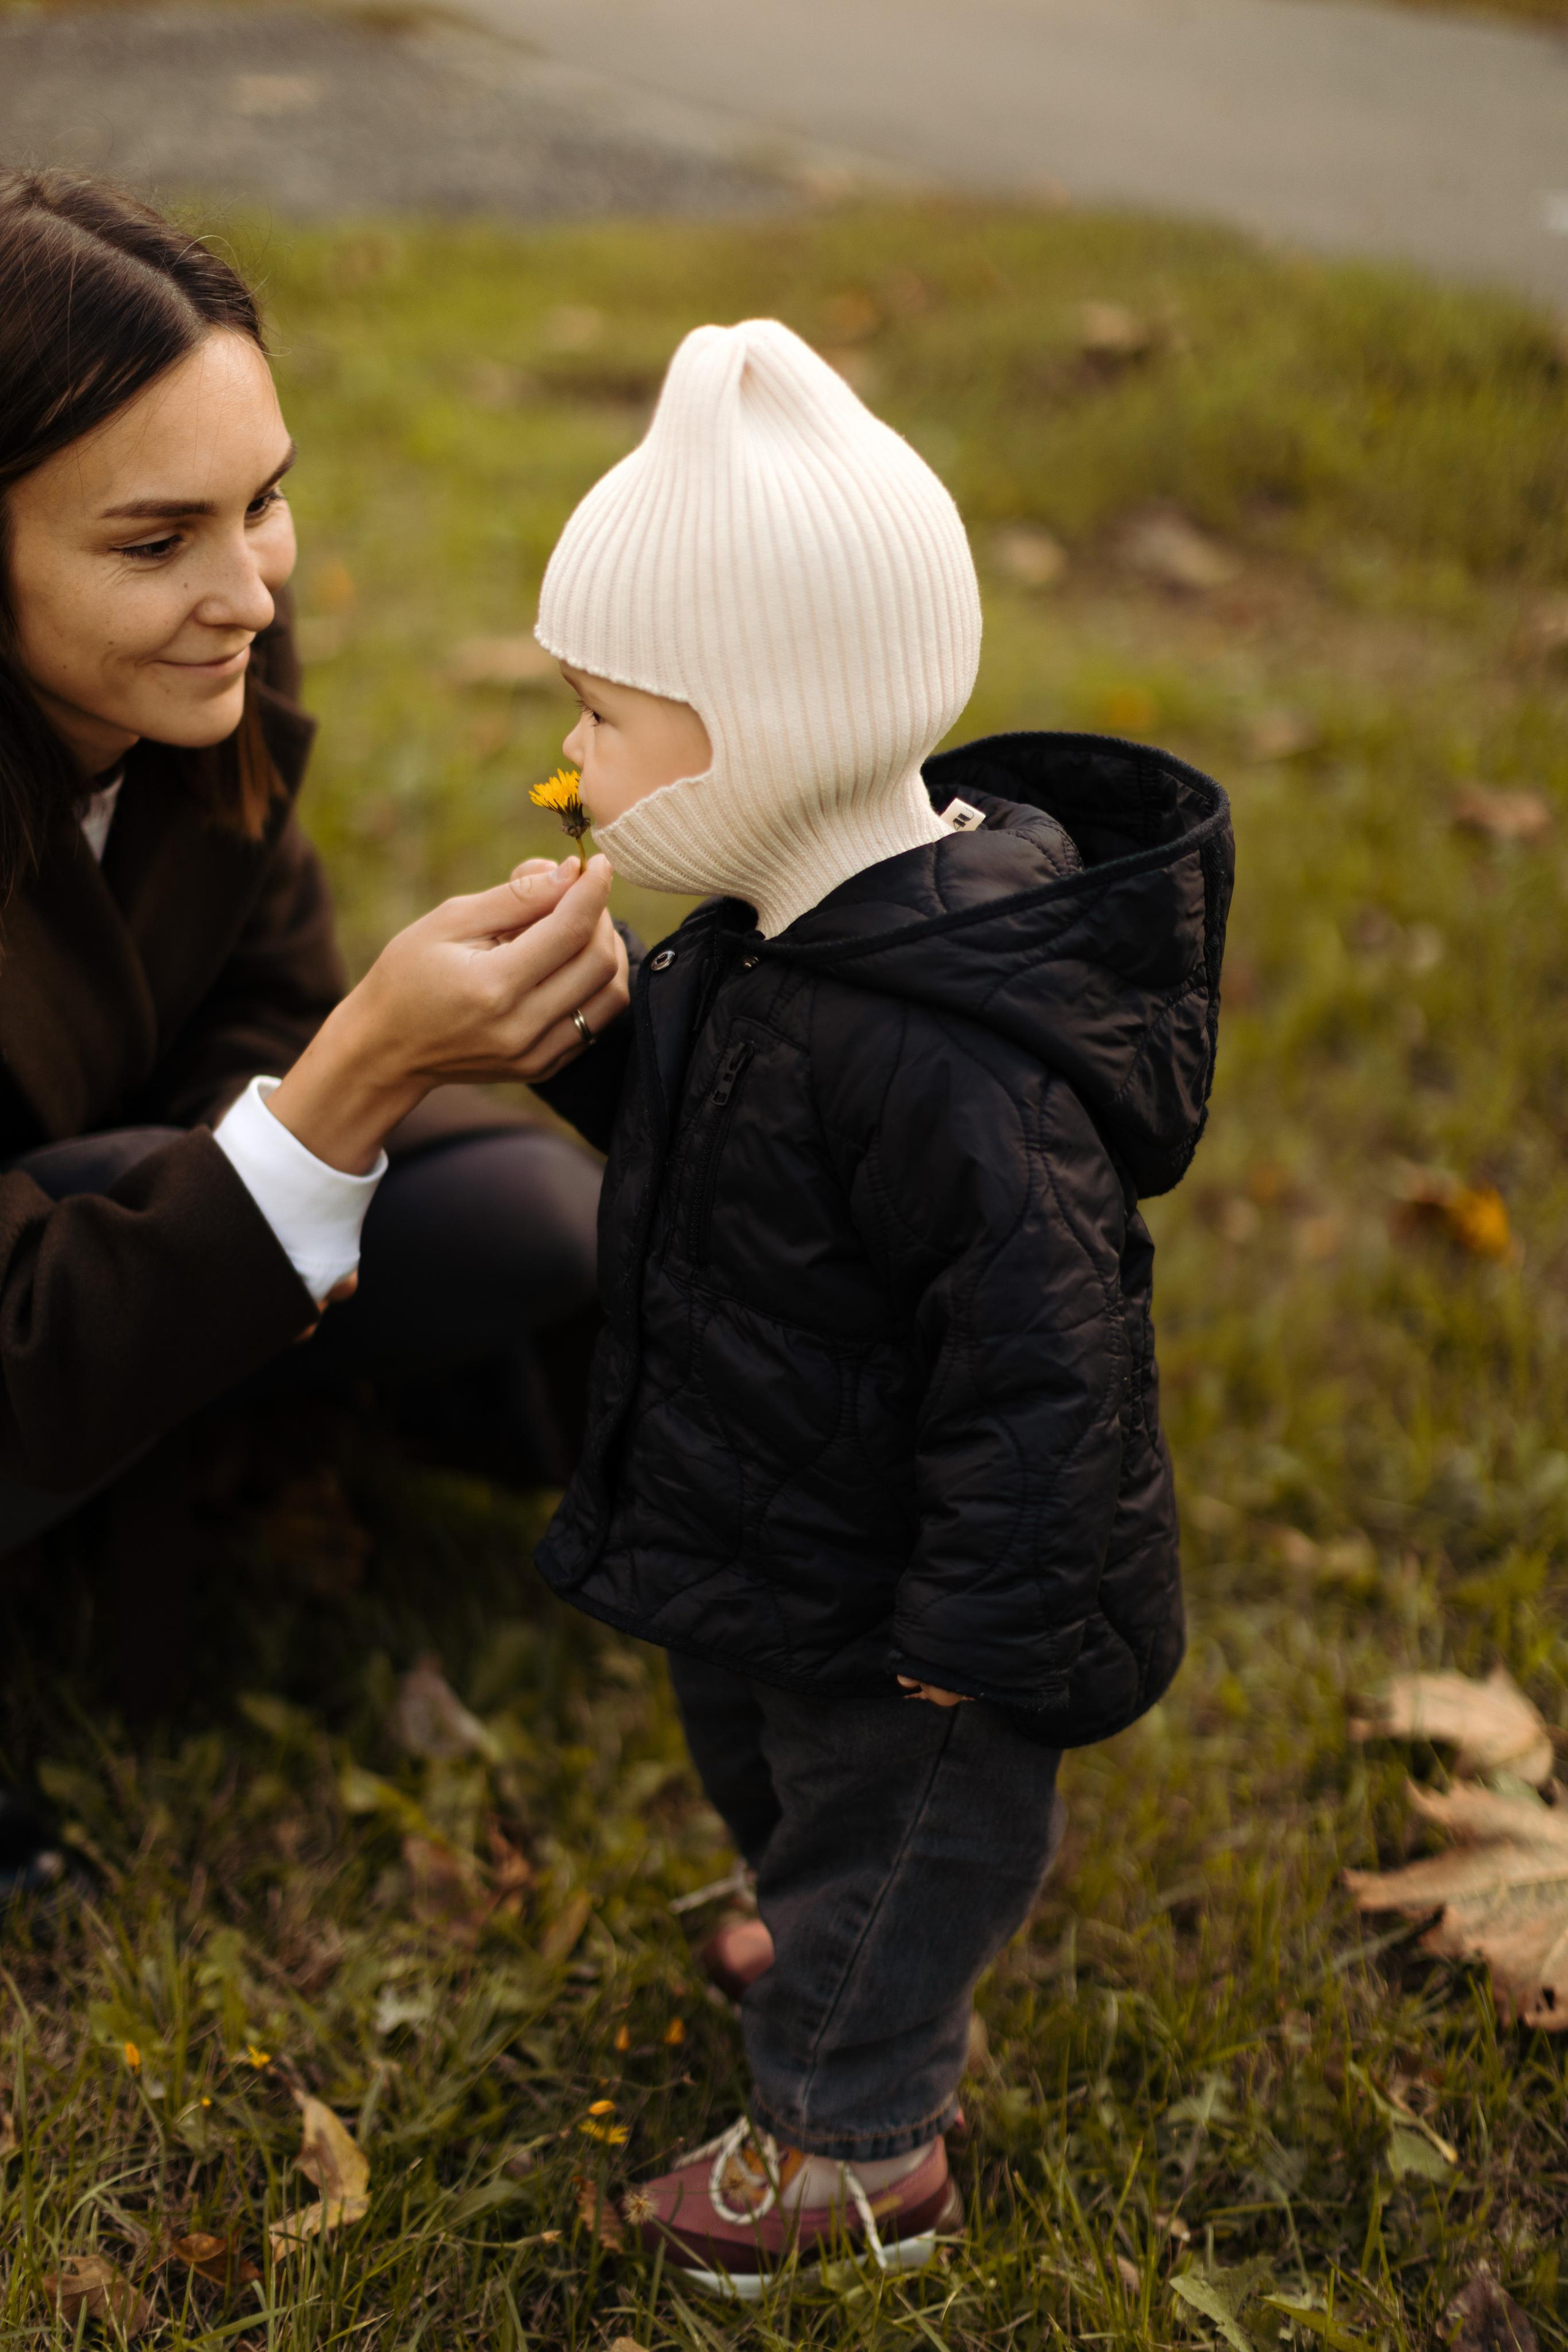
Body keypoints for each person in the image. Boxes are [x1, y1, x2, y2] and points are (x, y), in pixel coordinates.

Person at [525, 318, 1233, 2294]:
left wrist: (976, 1642)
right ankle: (829, 1923)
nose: (566, 763)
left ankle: (858, 2147)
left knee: (903, 1823)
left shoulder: (956, 1054)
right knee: (775, 1779)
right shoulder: (776, 948)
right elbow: (728, 1162)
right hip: (772, 1527)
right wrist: (589, 1043)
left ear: (768, 721)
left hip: (915, 1603)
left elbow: (1048, 1370)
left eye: (603, 717)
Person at [0, 168, 628, 1894]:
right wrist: (341, 1096)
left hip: (112, 1232)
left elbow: (262, 993)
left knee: (528, 1219)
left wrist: (275, 1147)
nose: (251, 592)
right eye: (155, 540)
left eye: (262, 504)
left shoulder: (204, 685)